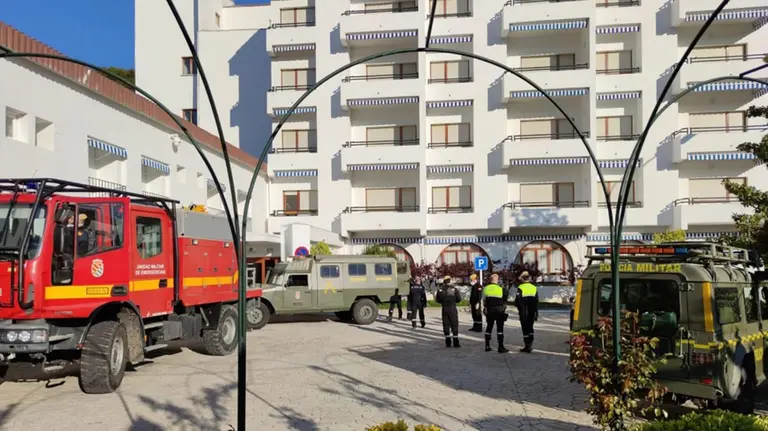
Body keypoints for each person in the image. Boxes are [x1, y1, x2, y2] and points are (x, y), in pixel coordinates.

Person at [483, 273, 509, 353]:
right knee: (500, 328)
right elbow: (505, 300)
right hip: (499, 311)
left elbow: (484, 300)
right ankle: (500, 347)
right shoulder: (501, 289)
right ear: (497, 280)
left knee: (489, 327)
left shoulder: (486, 288)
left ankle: (487, 346)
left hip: (490, 311)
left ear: (490, 280)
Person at [515, 271, 539, 353]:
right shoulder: (534, 287)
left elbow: (517, 301)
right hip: (532, 311)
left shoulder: (520, 287)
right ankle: (531, 343)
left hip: (524, 311)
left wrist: (519, 309)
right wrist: (536, 312)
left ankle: (527, 345)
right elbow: (536, 301)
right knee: (530, 327)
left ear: (522, 278)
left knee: (525, 328)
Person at [436, 275, 462, 348]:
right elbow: (459, 299)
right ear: (450, 281)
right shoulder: (454, 289)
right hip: (452, 308)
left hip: (444, 309)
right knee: (454, 325)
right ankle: (456, 342)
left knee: (446, 325)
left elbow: (437, 300)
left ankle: (448, 342)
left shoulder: (440, 290)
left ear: (444, 281)